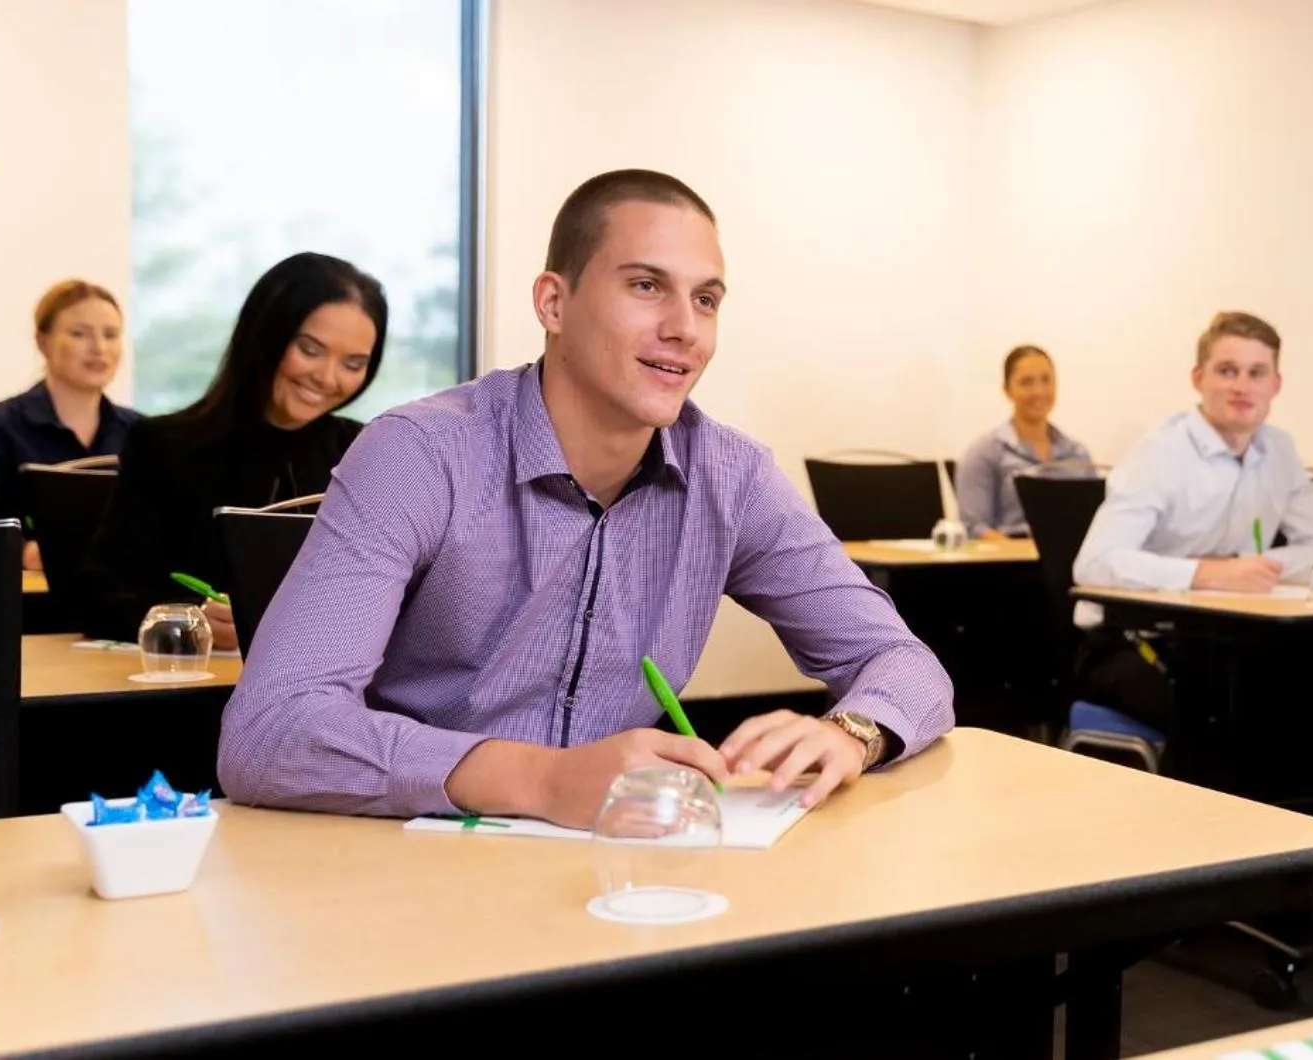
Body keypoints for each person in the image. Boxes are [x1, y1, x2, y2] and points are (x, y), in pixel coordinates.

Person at [216, 170, 954, 827]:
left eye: (706, 299)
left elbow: (904, 663)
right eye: (646, 286)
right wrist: (544, 779)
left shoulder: (732, 476)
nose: (684, 328)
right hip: (413, 863)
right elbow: (270, 734)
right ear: (554, 303)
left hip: (627, 874)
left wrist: (850, 733)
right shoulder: (420, 452)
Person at [75, 252, 385, 648]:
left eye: (353, 363)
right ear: (266, 334)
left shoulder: (366, 453)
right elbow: (98, 595)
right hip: (194, 694)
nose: (327, 378)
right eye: (309, 350)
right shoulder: (164, 446)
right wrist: (195, 620)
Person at [1069, 310, 1313, 733]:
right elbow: (1094, 564)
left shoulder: (1280, 451)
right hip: (1130, 644)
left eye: (1257, 373)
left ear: (1276, 384)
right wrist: (1207, 574)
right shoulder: (1160, 452)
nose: (1241, 386)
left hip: (1227, 639)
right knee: (1223, 718)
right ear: (1198, 378)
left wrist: (1250, 568)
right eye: (1227, 370)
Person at [0, 280, 141, 569]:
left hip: (121, 600)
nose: (99, 348)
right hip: (26, 603)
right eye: (79, 334)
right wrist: (23, 553)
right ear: (42, 341)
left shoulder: (139, 433)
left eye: (111, 335)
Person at [956, 345, 1092, 539]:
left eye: (1046, 380)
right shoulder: (985, 452)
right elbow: (973, 527)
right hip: (1011, 563)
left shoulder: (1077, 453)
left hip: (1070, 563)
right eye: (1026, 382)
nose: (1038, 391)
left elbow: (1097, 521)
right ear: (1007, 390)